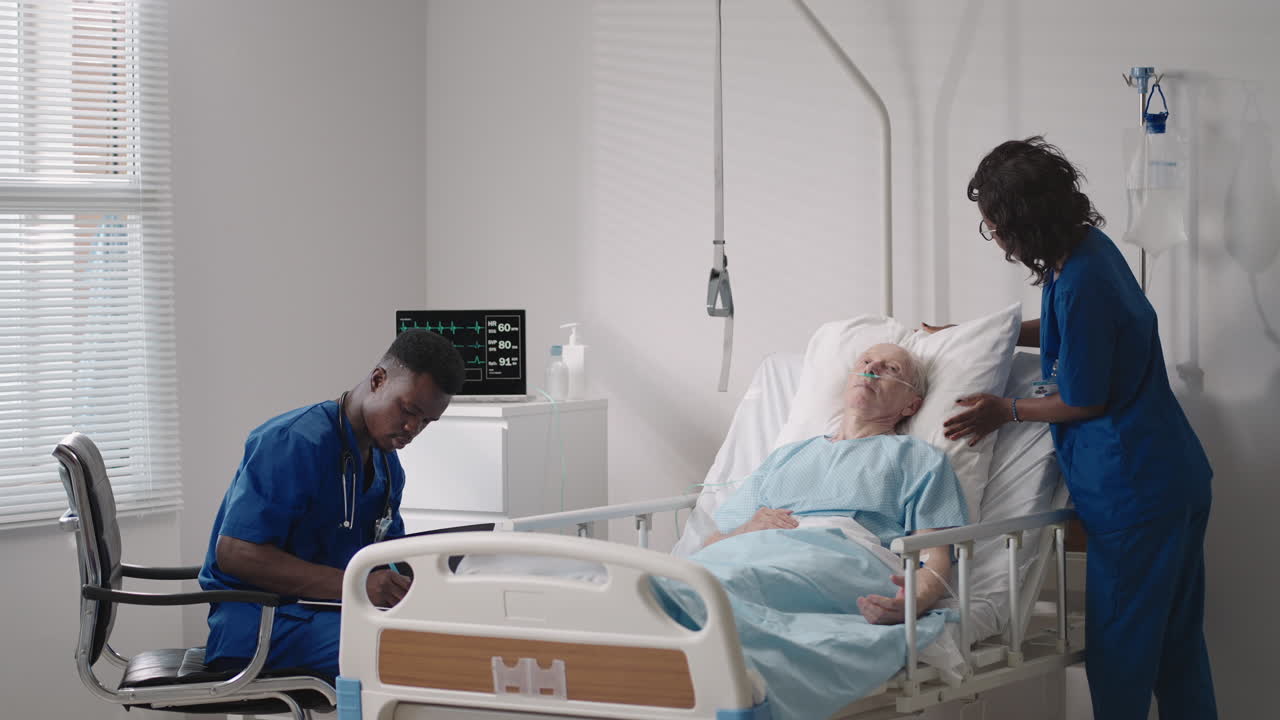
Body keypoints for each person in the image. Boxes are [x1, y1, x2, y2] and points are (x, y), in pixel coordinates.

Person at [935, 136, 1216, 719]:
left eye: (994, 225)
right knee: (1175, 648)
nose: (994, 236)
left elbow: (1085, 400)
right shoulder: (1084, 253)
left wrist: (1003, 411)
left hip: (1136, 493)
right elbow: (1072, 327)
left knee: (1121, 656)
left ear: (1023, 224)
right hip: (1173, 479)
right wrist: (981, 334)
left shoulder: (1084, 276)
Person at [650, 343, 967, 720]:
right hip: (752, 546)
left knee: (743, 581)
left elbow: (936, 556)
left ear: (910, 406)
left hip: (842, 553)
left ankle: (680, 630)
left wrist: (913, 603)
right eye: (865, 362)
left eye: (890, 369)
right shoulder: (787, 456)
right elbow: (712, 543)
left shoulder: (917, 458)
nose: (873, 368)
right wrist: (749, 528)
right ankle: (665, 621)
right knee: (706, 573)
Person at [198, 329, 465, 678]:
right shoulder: (293, 441)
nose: (412, 427)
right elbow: (236, 553)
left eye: (426, 421)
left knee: (454, 637)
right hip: (260, 623)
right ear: (378, 379)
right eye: (408, 409)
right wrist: (357, 585)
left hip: (328, 612)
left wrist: (442, 581)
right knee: (409, 654)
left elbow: (388, 557)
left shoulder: (387, 466)